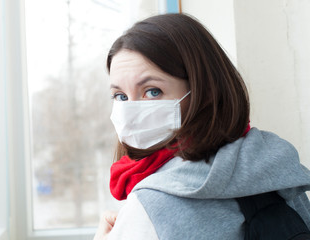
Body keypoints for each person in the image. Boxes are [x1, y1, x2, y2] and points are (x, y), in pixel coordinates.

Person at [94, 13, 310, 240]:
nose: (131, 111)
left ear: (202, 92)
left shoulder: (150, 204)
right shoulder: (273, 168)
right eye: (119, 96)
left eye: (152, 91)